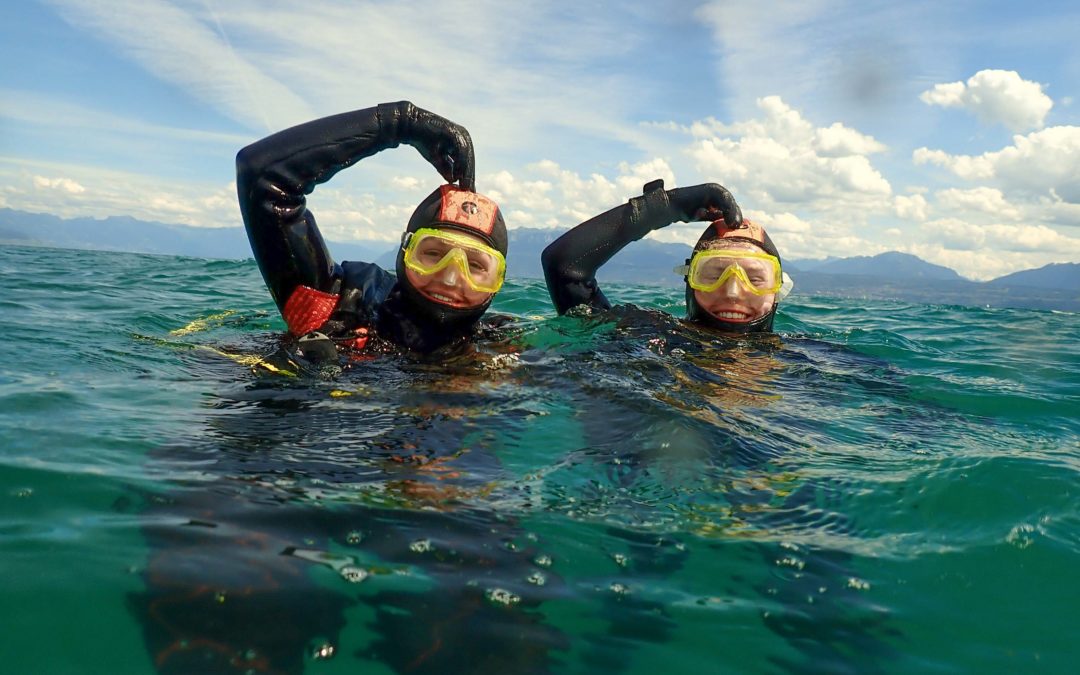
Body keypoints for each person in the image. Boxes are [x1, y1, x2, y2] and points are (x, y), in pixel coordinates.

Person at [236, 101, 508, 356]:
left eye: (475, 266)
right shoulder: (339, 307)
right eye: (433, 254)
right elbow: (262, 175)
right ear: (405, 253)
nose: (449, 278)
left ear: (497, 283)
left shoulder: (500, 346)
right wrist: (399, 123)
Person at [541, 179, 791, 333]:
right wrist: (663, 207)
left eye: (756, 279)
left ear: (778, 289)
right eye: (713, 273)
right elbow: (564, 267)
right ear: (689, 279)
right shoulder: (649, 335)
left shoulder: (809, 360)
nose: (733, 291)